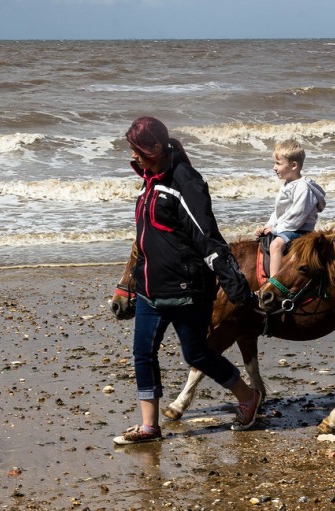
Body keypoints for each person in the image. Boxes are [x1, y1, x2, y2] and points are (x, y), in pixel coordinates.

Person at [113, 116, 260, 445]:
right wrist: (129, 282)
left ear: (152, 148)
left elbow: (207, 236)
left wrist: (234, 283)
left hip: (186, 288)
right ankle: (149, 426)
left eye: (136, 150)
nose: (132, 156)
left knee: (197, 355)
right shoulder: (149, 181)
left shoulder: (184, 180)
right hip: (151, 287)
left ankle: (248, 397)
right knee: (142, 354)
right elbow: (144, 238)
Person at [254, 139, 326, 276]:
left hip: (300, 230)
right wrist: (267, 226)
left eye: (278, 163)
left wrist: (275, 229)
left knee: (276, 245)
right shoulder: (287, 184)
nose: (274, 168)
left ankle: (274, 281)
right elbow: (278, 212)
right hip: (288, 227)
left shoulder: (303, 187)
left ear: (293, 165)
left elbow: (297, 216)